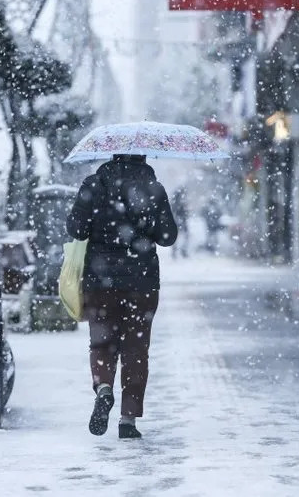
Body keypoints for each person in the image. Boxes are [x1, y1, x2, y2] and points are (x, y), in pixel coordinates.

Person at [66, 153, 177, 439]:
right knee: (136, 349)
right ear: (143, 157)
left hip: (99, 280)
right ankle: (128, 420)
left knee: (102, 343)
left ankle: (103, 388)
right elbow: (168, 237)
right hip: (142, 281)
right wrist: (145, 227)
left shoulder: (94, 184)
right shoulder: (154, 188)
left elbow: (75, 229)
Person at [171, 185, 189, 259]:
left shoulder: (176, 200)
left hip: (178, 220)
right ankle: (181, 251)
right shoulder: (179, 201)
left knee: (179, 236)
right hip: (179, 220)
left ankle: (177, 251)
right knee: (185, 236)